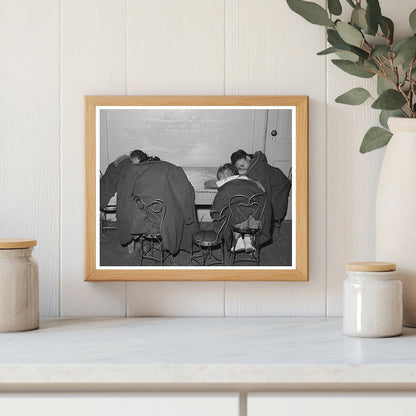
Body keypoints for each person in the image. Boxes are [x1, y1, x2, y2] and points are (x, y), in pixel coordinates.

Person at [211, 164, 272, 253]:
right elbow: (263, 194)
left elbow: (207, 184)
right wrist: (255, 182)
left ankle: (239, 238)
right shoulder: (247, 179)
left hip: (238, 222)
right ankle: (247, 239)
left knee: (228, 212)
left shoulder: (227, 182)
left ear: (234, 174)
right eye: (221, 176)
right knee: (241, 208)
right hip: (257, 219)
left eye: (226, 174)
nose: (224, 177)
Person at [230, 149, 291, 224]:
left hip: (280, 184)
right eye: (239, 168)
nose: (243, 169)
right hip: (275, 178)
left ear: (248, 158)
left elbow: (264, 193)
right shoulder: (253, 164)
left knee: (273, 206)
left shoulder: (259, 170)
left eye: (242, 165)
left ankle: (273, 221)